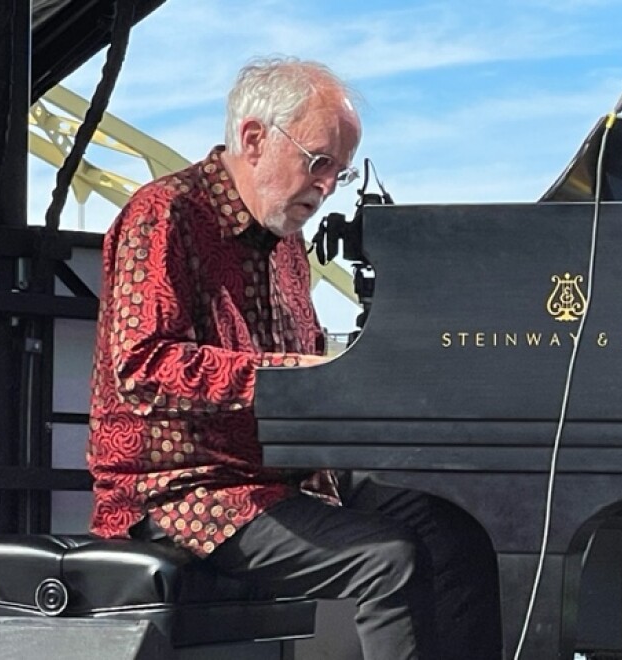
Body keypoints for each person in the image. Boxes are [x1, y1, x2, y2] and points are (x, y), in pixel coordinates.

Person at [87, 56, 502, 660]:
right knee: (387, 561)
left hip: (281, 478)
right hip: (180, 491)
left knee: (457, 533)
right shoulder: (164, 215)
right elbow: (142, 366)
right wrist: (281, 376)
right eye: (319, 162)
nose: (329, 185)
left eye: (340, 169)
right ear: (255, 139)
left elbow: (312, 364)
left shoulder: (287, 245)